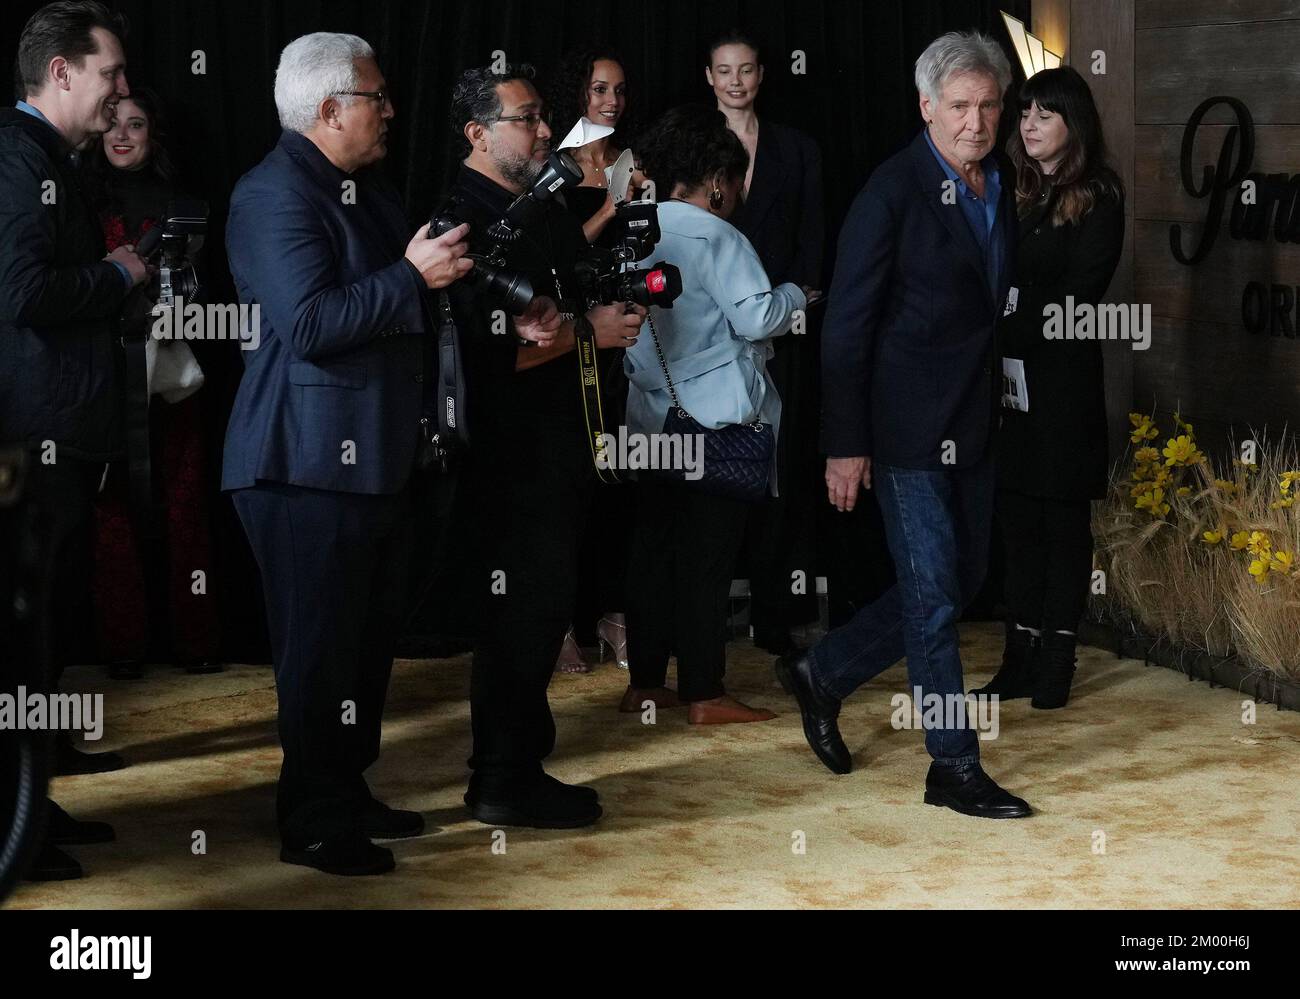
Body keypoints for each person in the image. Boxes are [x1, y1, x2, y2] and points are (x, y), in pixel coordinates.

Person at [222, 32, 481, 876]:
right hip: (299, 467)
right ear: (328, 110)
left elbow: (404, 298)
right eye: (376, 98)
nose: (390, 111)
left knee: (364, 647)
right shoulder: (271, 193)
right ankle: (313, 819)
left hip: (373, 461)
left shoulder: (363, 189)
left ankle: (346, 786)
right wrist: (412, 275)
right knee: (320, 650)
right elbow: (309, 325)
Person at [777, 31, 1033, 819]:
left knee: (953, 584)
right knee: (930, 600)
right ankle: (952, 765)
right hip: (901, 428)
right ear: (927, 106)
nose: (976, 121)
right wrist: (845, 443)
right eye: (959, 106)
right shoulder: (890, 192)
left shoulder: (999, 184)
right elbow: (846, 328)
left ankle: (823, 673)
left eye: (989, 105)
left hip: (974, 421)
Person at [444, 64, 645, 828]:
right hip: (510, 455)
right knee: (517, 618)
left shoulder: (533, 203)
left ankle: (518, 767)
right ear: (478, 133)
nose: (541, 131)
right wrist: (586, 330)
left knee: (540, 609)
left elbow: (562, 298)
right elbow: (483, 343)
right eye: (525, 119)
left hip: (561, 443)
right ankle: (501, 778)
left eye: (540, 116)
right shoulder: (463, 217)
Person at [0, 0, 142, 881]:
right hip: (32, 442)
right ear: (60, 73)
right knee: (23, 643)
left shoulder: (48, 158)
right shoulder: (20, 161)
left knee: (44, 638)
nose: (122, 90)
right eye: (110, 74)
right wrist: (117, 274)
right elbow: (19, 292)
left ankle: (33, 807)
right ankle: (18, 822)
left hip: (56, 439)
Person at [620, 105, 804, 724]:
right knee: (706, 559)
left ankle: (644, 684)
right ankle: (704, 693)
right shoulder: (717, 234)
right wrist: (798, 295)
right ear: (716, 179)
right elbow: (756, 317)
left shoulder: (629, 223)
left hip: (646, 415)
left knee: (653, 551)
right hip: (710, 420)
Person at [972, 66, 1124, 709]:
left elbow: (1079, 298)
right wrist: (1011, 307)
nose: (1027, 125)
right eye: (1024, 113)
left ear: (1074, 124)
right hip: (1009, 388)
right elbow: (988, 275)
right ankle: (1020, 656)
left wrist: (1010, 308)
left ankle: (1058, 658)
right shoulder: (1013, 189)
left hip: (1063, 392)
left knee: (1063, 526)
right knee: (1019, 523)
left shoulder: (1100, 194)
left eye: (1043, 115)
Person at [84, 85, 221, 678]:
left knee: (186, 507)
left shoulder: (187, 206)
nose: (121, 134)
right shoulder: (79, 204)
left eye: (135, 125)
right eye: (112, 123)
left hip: (172, 381)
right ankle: (123, 649)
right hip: (103, 383)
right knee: (108, 513)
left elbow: (211, 299)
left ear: (153, 136)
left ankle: (196, 643)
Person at [707, 29, 825, 658]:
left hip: (786, 327)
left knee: (782, 465)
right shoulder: (695, 147)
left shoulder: (798, 149)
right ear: (708, 77)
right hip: (708, 336)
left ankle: (777, 616)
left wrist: (793, 306)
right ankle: (706, 619)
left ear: (761, 75)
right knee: (717, 467)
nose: (736, 82)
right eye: (724, 71)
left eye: (746, 70)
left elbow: (812, 239)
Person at [544, 48, 642, 674]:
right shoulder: (549, 167)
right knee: (566, 484)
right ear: (578, 94)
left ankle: (613, 615)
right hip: (565, 342)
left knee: (621, 482)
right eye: (600, 89)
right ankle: (556, 624)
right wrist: (609, 207)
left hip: (626, 340)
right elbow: (551, 259)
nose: (611, 101)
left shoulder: (634, 160)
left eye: (620, 90)